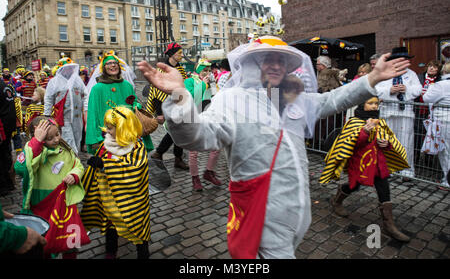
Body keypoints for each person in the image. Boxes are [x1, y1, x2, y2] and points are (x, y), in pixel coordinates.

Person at [138, 35, 411, 259]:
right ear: (253, 63)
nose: (276, 65)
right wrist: (177, 95)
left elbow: (331, 101)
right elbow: (196, 136)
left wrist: (371, 79)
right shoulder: (232, 99)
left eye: (282, 60)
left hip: (297, 209)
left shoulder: (292, 97)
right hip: (262, 207)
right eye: (268, 59)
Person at [319, 96, 410, 242]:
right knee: (354, 186)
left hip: (378, 164)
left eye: (376, 103)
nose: (374, 106)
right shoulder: (354, 122)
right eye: (370, 103)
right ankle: (338, 199)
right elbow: (350, 144)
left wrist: (386, 143)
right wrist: (365, 133)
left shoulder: (380, 122)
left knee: (384, 189)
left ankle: (389, 225)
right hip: (360, 164)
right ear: (362, 105)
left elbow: (389, 138)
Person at [81, 106, 151, 259]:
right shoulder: (107, 143)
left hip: (133, 202)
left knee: (138, 229)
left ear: (123, 128)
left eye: (110, 128)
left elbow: (134, 170)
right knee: (111, 226)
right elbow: (98, 167)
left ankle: (143, 254)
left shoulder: (137, 147)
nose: (107, 131)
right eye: (107, 127)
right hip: (109, 199)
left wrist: (105, 165)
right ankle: (110, 252)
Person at [14, 116, 86, 258]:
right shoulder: (32, 151)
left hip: (65, 205)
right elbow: (20, 169)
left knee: (70, 242)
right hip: (43, 205)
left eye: (57, 134)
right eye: (49, 138)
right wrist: (37, 142)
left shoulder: (65, 150)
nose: (55, 140)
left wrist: (74, 175)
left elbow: (77, 165)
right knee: (45, 243)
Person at [85, 51, 152, 154]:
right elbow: (92, 114)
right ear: (103, 67)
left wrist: (136, 106)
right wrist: (94, 138)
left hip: (127, 133)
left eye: (115, 63)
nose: (112, 65)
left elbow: (133, 103)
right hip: (108, 135)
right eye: (108, 63)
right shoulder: (97, 89)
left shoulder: (127, 85)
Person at [375, 47, 422, 179]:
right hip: (387, 112)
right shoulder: (384, 73)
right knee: (386, 141)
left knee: (406, 141)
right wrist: (390, 90)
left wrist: (406, 89)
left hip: (405, 113)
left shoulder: (411, 74)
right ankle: (388, 169)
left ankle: (406, 171)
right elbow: (376, 89)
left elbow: (418, 89)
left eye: (405, 60)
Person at [146, 42, 189, 170]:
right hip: (166, 106)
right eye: (179, 53)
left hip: (179, 104)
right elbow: (155, 93)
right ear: (171, 54)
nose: (182, 55)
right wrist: (159, 113)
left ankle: (171, 157)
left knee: (178, 131)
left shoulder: (180, 69)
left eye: (182, 52)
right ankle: (161, 154)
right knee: (176, 131)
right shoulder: (162, 70)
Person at [184, 59, 222, 191]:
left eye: (208, 70)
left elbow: (215, 97)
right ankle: (195, 178)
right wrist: (203, 85)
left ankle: (209, 172)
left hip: (208, 116)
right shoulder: (189, 81)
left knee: (216, 146)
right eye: (204, 70)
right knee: (193, 152)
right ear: (198, 71)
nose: (207, 73)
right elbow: (190, 97)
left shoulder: (210, 82)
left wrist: (212, 86)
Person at [44, 57, 87, 155]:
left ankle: (74, 159)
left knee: (77, 139)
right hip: (63, 118)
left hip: (77, 117)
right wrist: (47, 114)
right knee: (68, 141)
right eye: (67, 68)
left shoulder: (78, 81)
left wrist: (86, 110)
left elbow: (85, 95)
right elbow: (48, 98)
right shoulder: (54, 82)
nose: (70, 70)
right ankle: (72, 161)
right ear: (61, 69)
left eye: (71, 68)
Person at [422, 62, 450, 190]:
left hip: (444, 120)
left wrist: (430, 89)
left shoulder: (441, 85)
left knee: (445, 151)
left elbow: (427, 98)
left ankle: (447, 181)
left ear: (443, 71)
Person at [414, 60, 442, 167]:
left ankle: (428, 159)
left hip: (432, 112)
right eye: (430, 66)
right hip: (419, 110)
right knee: (418, 134)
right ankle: (416, 157)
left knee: (431, 135)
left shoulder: (439, 80)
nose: (432, 68)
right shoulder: (419, 77)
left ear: (438, 70)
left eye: (435, 67)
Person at [0, 79, 17, 195]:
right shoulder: (4, 85)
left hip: (2, 127)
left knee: (2, 156)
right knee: (5, 154)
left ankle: (3, 185)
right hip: (7, 125)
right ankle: (8, 183)